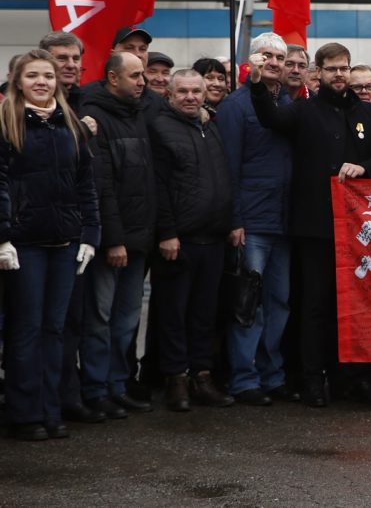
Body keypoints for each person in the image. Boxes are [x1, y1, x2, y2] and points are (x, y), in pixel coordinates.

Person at [248, 43, 371, 407]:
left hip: (360, 229)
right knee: (315, 305)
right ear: (318, 72)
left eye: (343, 68)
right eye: (332, 69)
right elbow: (271, 118)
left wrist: (365, 167)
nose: (339, 75)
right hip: (315, 227)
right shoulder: (303, 110)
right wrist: (256, 84)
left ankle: (352, 378)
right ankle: (313, 379)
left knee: (357, 305)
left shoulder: (367, 112)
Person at [0, 50, 99, 441]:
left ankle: (50, 409)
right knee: (26, 329)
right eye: (32, 76)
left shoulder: (69, 124)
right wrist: (3, 237)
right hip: (24, 244)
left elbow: (85, 183)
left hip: (65, 243)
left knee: (55, 330)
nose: (41, 82)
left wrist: (90, 235)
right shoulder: (6, 123)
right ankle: (24, 413)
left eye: (48, 76)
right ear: (18, 81)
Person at [216, 33, 295, 407]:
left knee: (279, 303)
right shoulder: (235, 105)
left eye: (280, 57)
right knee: (249, 305)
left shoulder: (289, 103)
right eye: (267, 55)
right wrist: (235, 219)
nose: (274, 62)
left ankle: (272, 375)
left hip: (284, 222)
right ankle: (244, 378)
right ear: (252, 61)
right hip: (252, 221)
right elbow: (228, 166)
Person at [149, 71, 235, 412]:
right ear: (169, 95)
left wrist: (233, 221)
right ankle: (176, 380)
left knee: (204, 314)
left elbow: (224, 177)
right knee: (174, 314)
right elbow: (158, 186)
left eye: (195, 91)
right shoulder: (160, 128)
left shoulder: (210, 126)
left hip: (213, 238)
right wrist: (167, 233)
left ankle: (202, 376)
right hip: (178, 241)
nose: (190, 97)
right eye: (182, 91)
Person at [77, 53, 157, 420]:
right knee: (100, 318)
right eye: (135, 75)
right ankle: (95, 388)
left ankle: (117, 385)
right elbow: (102, 184)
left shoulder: (138, 113)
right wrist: (113, 240)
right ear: (113, 78)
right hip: (116, 241)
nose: (143, 81)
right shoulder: (96, 116)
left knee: (126, 320)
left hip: (139, 239)